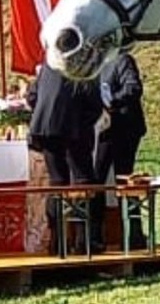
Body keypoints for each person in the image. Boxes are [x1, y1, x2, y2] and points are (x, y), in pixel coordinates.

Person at [27, 64, 106, 253]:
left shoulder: (49, 64)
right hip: (74, 127)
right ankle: (83, 240)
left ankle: (56, 241)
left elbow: (32, 96)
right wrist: (87, 121)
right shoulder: (85, 67)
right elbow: (94, 101)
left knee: (57, 182)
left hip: (45, 127)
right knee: (83, 181)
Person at [95, 50, 148, 249]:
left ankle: (134, 235)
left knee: (124, 178)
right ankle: (97, 235)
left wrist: (111, 101)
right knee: (97, 179)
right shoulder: (95, 65)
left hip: (125, 128)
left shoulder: (122, 60)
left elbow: (133, 88)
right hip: (102, 130)